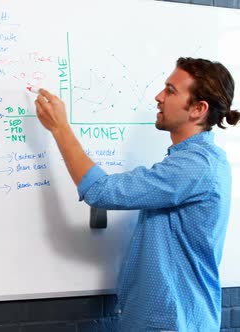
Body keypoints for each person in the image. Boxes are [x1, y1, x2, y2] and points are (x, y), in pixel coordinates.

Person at [34, 57, 240, 331]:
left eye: (170, 90)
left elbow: (99, 191)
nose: (159, 97)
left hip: (175, 323)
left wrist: (59, 128)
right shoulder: (196, 162)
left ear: (198, 109)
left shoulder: (196, 166)